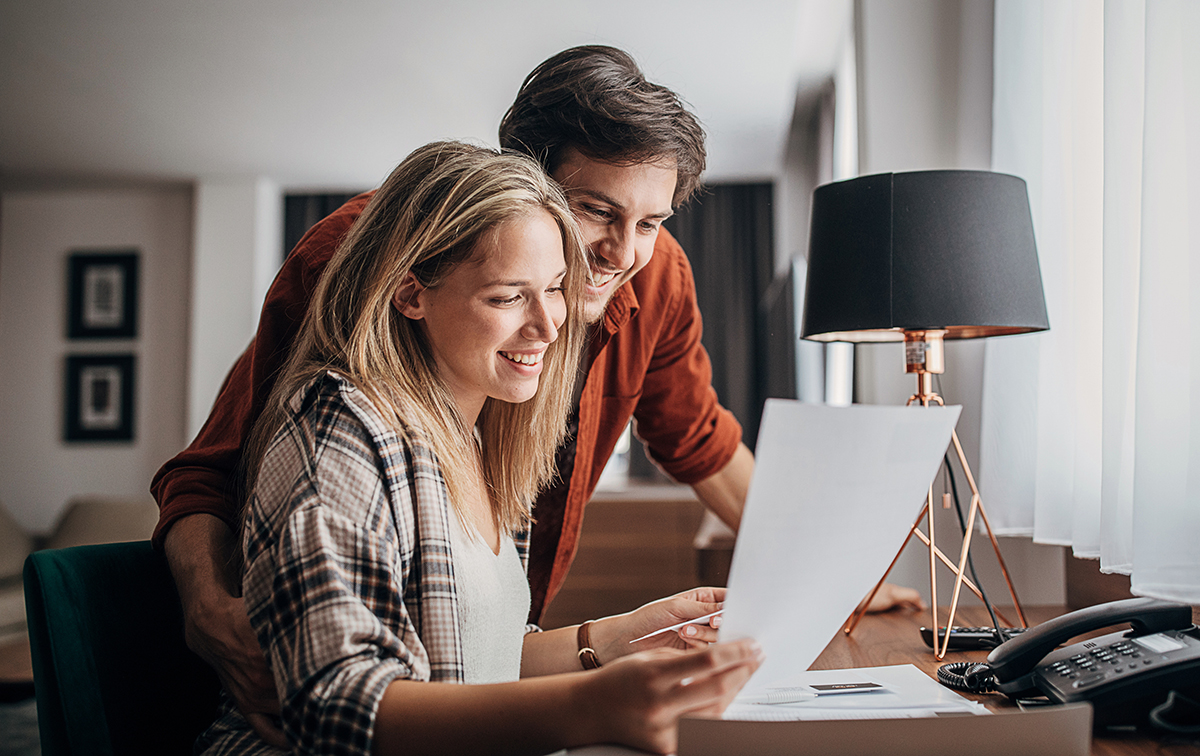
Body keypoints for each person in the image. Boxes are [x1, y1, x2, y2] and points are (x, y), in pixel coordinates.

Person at [152, 45, 919, 746]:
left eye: (651, 221)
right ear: (527, 179)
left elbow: (699, 442)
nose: (622, 255)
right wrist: (207, 602)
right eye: (595, 212)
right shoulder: (367, 290)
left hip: (481, 663)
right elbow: (234, 461)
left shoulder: (624, 304)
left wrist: (823, 580)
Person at [196, 141, 762, 756]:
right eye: (506, 297)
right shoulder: (342, 430)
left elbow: (478, 661)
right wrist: (592, 707)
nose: (550, 326)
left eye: (554, 289)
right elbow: (337, 707)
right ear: (410, 294)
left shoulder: (485, 442)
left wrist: (625, 635)